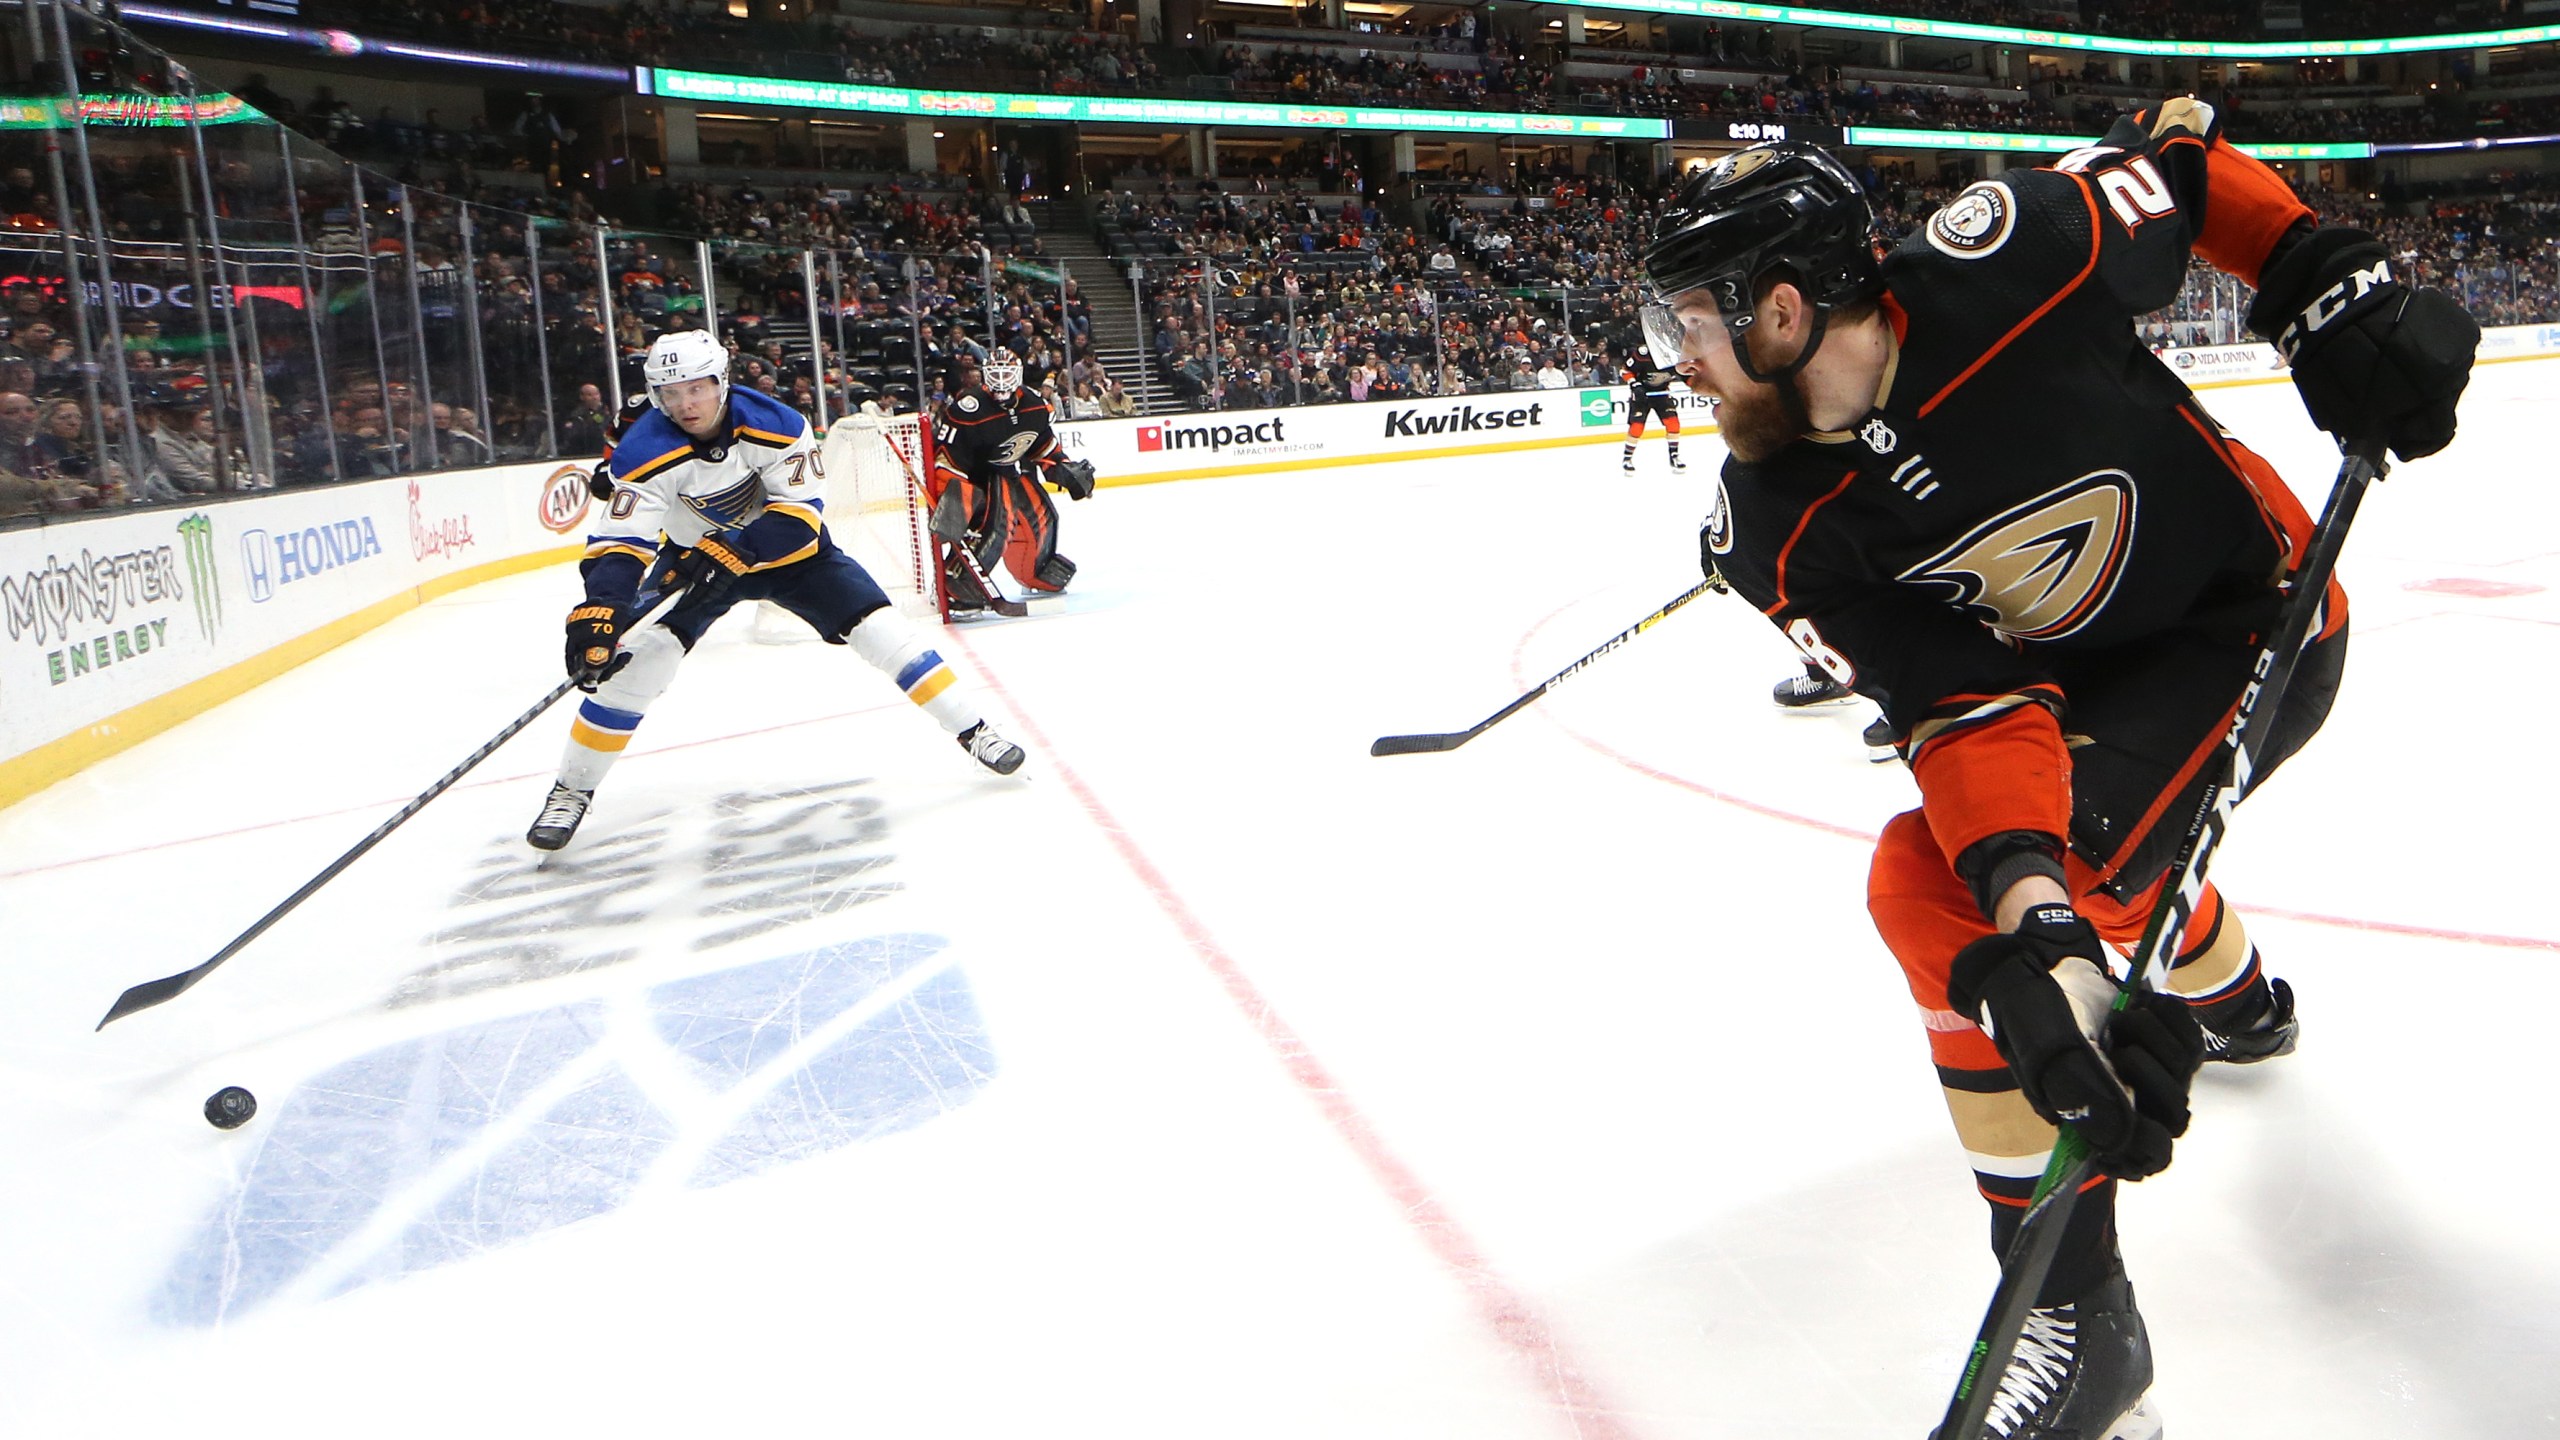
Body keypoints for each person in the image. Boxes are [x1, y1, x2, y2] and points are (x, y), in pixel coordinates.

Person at [1641, 115, 2474, 1438]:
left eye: (1685, 323)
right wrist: (2035, 918)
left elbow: (2183, 171)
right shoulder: (1775, 532)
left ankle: (2083, 1325)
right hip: (2082, 693)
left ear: (1784, 312)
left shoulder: (2008, 255)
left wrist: (2327, 278)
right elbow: (1968, 708)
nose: (1673, 363)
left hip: (2246, 619)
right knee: (2036, 878)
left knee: (1929, 884)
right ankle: (2242, 995)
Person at [526, 331, 1026, 851]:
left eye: (696, 388)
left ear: (721, 381)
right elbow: (621, 540)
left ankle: (975, 731)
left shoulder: (778, 423)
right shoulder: (643, 449)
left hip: (792, 557)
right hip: (697, 560)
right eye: (670, 393)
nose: (684, 404)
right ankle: (572, 790)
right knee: (640, 661)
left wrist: (737, 547)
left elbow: (800, 516)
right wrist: (602, 607)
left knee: (882, 632)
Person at [928, 348, 1097, 611]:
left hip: (1011, 470)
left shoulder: (1034, 404)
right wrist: (954, 495)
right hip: (979, 478)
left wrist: (1063, 468)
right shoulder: (967, 408)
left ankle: (1035, 571)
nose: (1002, 379)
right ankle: (957, 584)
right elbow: (945, 457)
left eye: (1008, 373)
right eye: (996, 373)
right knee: (999, 524)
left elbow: (1043, 446)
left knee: (1042, 518)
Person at [1620, 355, 1685, 474]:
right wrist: (1635, 384)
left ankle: (1674, 456)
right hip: (1642, 396)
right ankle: (1627, 458)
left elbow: (1686, 374)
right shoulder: (1643, 354)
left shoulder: (1675, 356)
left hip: (1662, 394)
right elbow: (1625, 371)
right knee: (1637, 427)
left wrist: (1696, 384)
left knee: (1673, 424)